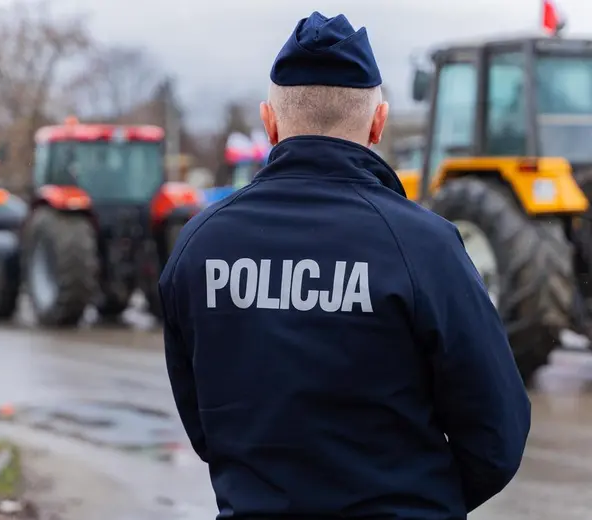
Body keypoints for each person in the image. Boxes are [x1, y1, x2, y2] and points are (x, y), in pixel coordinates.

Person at [158, 11, 530, 520]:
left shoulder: (197, 247)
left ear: (269, 124)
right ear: (379, 124)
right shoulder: (426, 247)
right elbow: (497, 433)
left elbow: (205, 427)